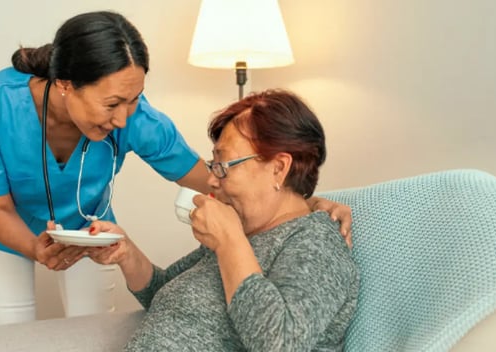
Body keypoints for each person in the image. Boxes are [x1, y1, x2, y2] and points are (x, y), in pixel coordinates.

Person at [0, 10, 354, 326]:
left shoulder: (136, 118)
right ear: (64, 84)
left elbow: (210, 177)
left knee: (93, 322)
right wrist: (34, 248)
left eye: (135, 99)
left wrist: (303, 201)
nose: (124, 118)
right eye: (112, 104)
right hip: (3, 229)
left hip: (87, 229)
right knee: (11, 329)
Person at [87, 89, 359, 351]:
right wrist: (126, 253)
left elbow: (280, 343)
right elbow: (163, 292)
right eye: (213, 165)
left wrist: (230, 242)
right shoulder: (243, 232)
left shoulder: (316, 241)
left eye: (224, 166)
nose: (210, 180)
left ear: (278, 168)